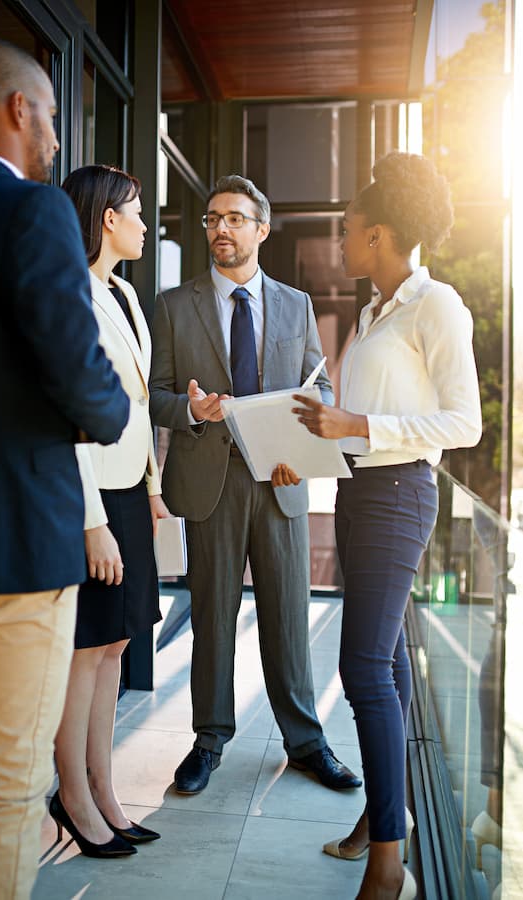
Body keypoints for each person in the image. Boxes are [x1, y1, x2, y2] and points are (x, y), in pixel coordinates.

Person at [0, 40, 130, 900]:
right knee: (12, 780)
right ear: (17, 109)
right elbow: (77, 366)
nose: (53, 134)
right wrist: (112, 413)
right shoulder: (34, 212)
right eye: (47, 112)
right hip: (22, 546)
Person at [291, 150, 482, 900]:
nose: (341, 243)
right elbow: (355, 426)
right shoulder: (374, 312)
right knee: (391, 665)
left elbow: (461, 422)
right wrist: (306, 445)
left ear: (379, 236)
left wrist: (357, 422)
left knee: (362, 667)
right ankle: (381, 815)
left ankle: (388, 860)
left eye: (349, 232)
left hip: (401, 494)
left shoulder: (437, 306)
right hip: (361, 492)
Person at [149, 173, 362, 795]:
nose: (221, 228)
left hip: (281, 481)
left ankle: (305, 743)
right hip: (209, 480)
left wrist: (304, 439)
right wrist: (191, 410)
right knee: (212, 617)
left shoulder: (296, 303)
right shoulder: (173, 304)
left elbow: (319, 387)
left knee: (288, 617)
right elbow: (156, 396)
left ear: (261, 229)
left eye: (235, 219)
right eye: (213, 218)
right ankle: (208, 740)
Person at [50, 164, 169, 857]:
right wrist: (93, 520)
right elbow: (69, 418)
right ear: (105, 220)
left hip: (129, 490)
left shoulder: (122, 293)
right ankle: (72, 795)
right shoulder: (70, 294)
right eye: (135, 211)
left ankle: (103, 788)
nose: (145, 224)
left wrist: (151, 486)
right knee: (85, 649)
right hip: (88, 495)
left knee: (119, 641)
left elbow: (140, 403)